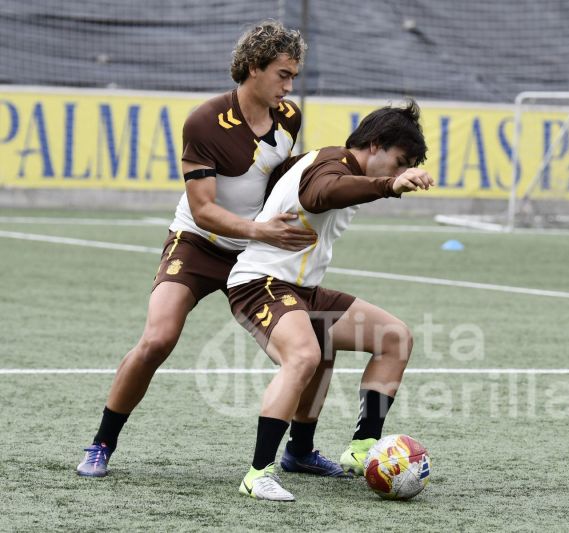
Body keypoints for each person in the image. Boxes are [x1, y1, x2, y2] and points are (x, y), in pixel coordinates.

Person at [76, 20, 317, 477]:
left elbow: (278, 179)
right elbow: (204, 210)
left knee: (303, 348)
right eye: (283, 74)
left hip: (253, 255)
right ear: (252, 68)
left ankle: (300, 451)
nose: (290, 85)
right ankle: (101, 444)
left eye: (293, 77)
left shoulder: (289, 117)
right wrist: (261, 231)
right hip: (198, 245)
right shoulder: (205, 122)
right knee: (158, 340)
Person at [227, 100, 432, 501]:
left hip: (302, 290)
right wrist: (388, 186)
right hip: (261, 283)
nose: (399, 171)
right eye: (399, 161)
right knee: (304, 354)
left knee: (395, 337)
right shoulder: (331, 166)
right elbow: (323, 192)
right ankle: (257, 474)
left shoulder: (326, 162)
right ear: (374, 144)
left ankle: (351, 449)